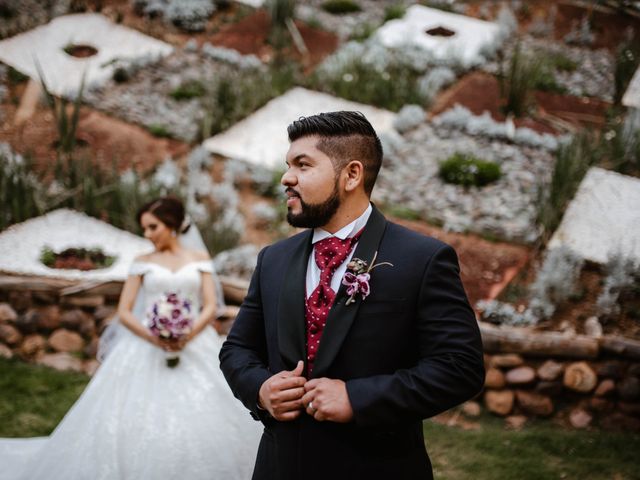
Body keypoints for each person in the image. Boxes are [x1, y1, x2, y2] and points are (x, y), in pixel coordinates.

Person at [219, 111, 485, 480]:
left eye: (303, 165)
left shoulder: (422, 259)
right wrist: (261, 389)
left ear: (352, 175)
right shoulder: (273, 260)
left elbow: (460, 367)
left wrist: (358, 398)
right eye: (288, 165)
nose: (286, 177)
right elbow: (236, 350)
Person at [0, 196, 261, 480]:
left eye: (153, 227)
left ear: (172, 225)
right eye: (144, 229)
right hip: (146, 344)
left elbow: (210, 305)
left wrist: (187, 334)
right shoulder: (142, 262)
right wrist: (154, 336)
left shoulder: (199, 260)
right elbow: (125, 311)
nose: (147, 235)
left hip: (194, 341)